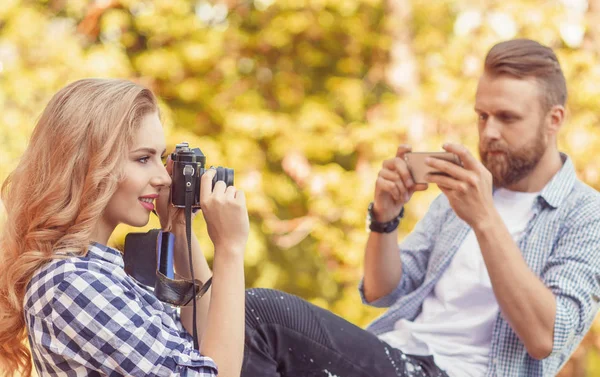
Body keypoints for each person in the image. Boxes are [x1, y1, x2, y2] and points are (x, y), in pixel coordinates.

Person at [240, 39, 600, 377]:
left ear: (554, 120)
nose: (489, 132)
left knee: (261, 313)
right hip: (397, 354)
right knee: (222, 317)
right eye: (482, 116)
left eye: (507, 118)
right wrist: (385, 218)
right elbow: (383, 291)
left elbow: (545, 338)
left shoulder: (585, 214)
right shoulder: (460, 192)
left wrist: (485, 219)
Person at [0, 79, 249, 377]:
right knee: (270, 317)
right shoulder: (69, 284)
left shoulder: (105, 274)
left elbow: (202, 349)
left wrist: (180, 229)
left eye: (163, 158)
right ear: (89, 165)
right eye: (143, 159)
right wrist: (230, 250)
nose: (164, 178)